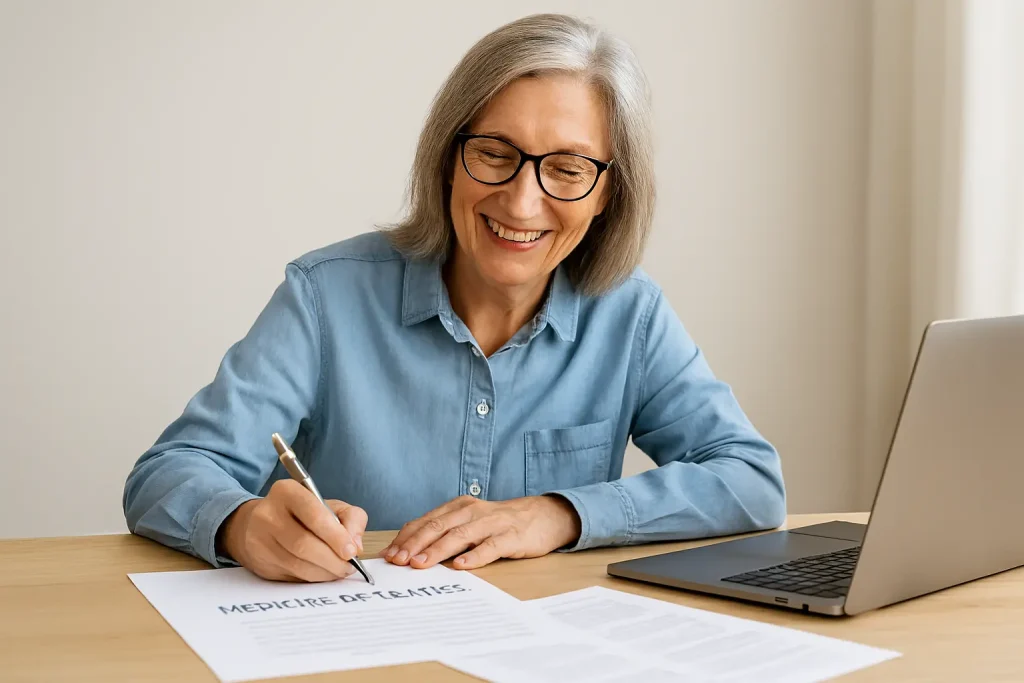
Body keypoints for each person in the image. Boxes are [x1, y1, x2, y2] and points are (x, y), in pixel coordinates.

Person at [122, 13, 786, 583]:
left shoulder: (630, 314)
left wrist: (558, 513)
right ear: (447, 158)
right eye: (494, 153)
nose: (521, 202)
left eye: (567, 168)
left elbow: (751, 480)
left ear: (607, 193)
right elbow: (169, 472)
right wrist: (241, 524)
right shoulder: (326, 296)